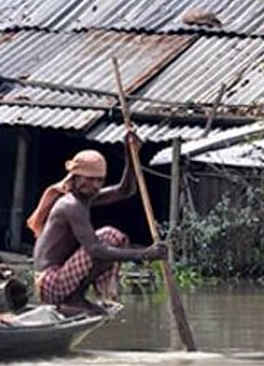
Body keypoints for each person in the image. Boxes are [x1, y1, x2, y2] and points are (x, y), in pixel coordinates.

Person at [27, 134, 167, 316]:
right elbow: (94, 249)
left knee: (116, 238)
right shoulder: (71, 205)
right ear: (75, 178)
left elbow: (125, 190)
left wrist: (131, 154)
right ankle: (73, 299)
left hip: (59, 278)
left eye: (99, 180)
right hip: (50, 284)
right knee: (108, 237)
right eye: (90, 179)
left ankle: (80, 296)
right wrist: (144, 254)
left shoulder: (85, 198)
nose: (95, 185)